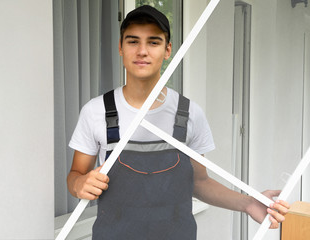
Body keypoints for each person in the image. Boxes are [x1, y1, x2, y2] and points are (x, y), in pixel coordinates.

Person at [67, 5, 289, 239]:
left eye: (153, 42)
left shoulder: (190, 113)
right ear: (121, 47)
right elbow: (75, 175)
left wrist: (248, 203)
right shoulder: (96, 111)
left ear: (167, 49)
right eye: (133, 41)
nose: (142, 51)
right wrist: (79, 184)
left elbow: (199, 182)